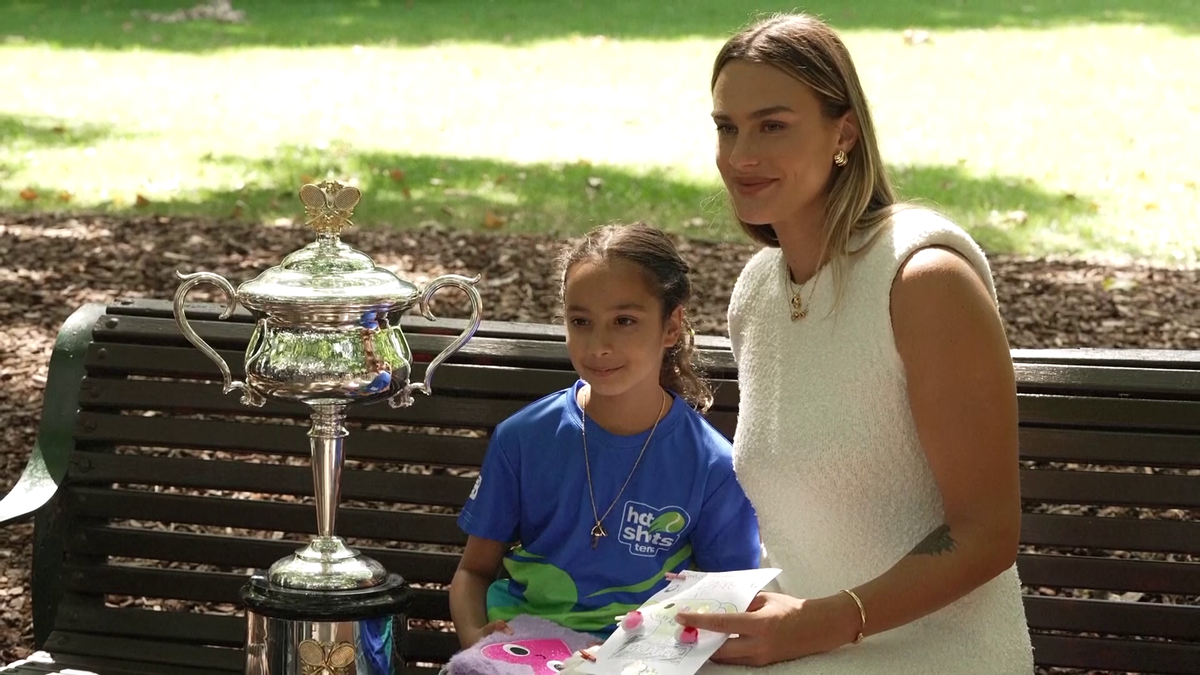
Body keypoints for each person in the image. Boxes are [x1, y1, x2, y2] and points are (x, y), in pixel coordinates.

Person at [675, 13, 1035, 673]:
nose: (740, 156)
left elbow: (988, 533)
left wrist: (823, 623)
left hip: (938, 656)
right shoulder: (758, 292)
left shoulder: (924, 280)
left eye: (772, 125)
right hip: (804, 648)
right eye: (727, 127)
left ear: (843, 132)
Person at [449, 223, 761, 649]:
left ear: (671, 327)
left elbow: (726, 607)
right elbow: (473, 573)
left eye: (624, 321)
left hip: (640, 656)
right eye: (581, 321)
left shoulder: (712, 466)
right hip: (520, 653)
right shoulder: (522, 439)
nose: (598, 345)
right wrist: (473, 638)